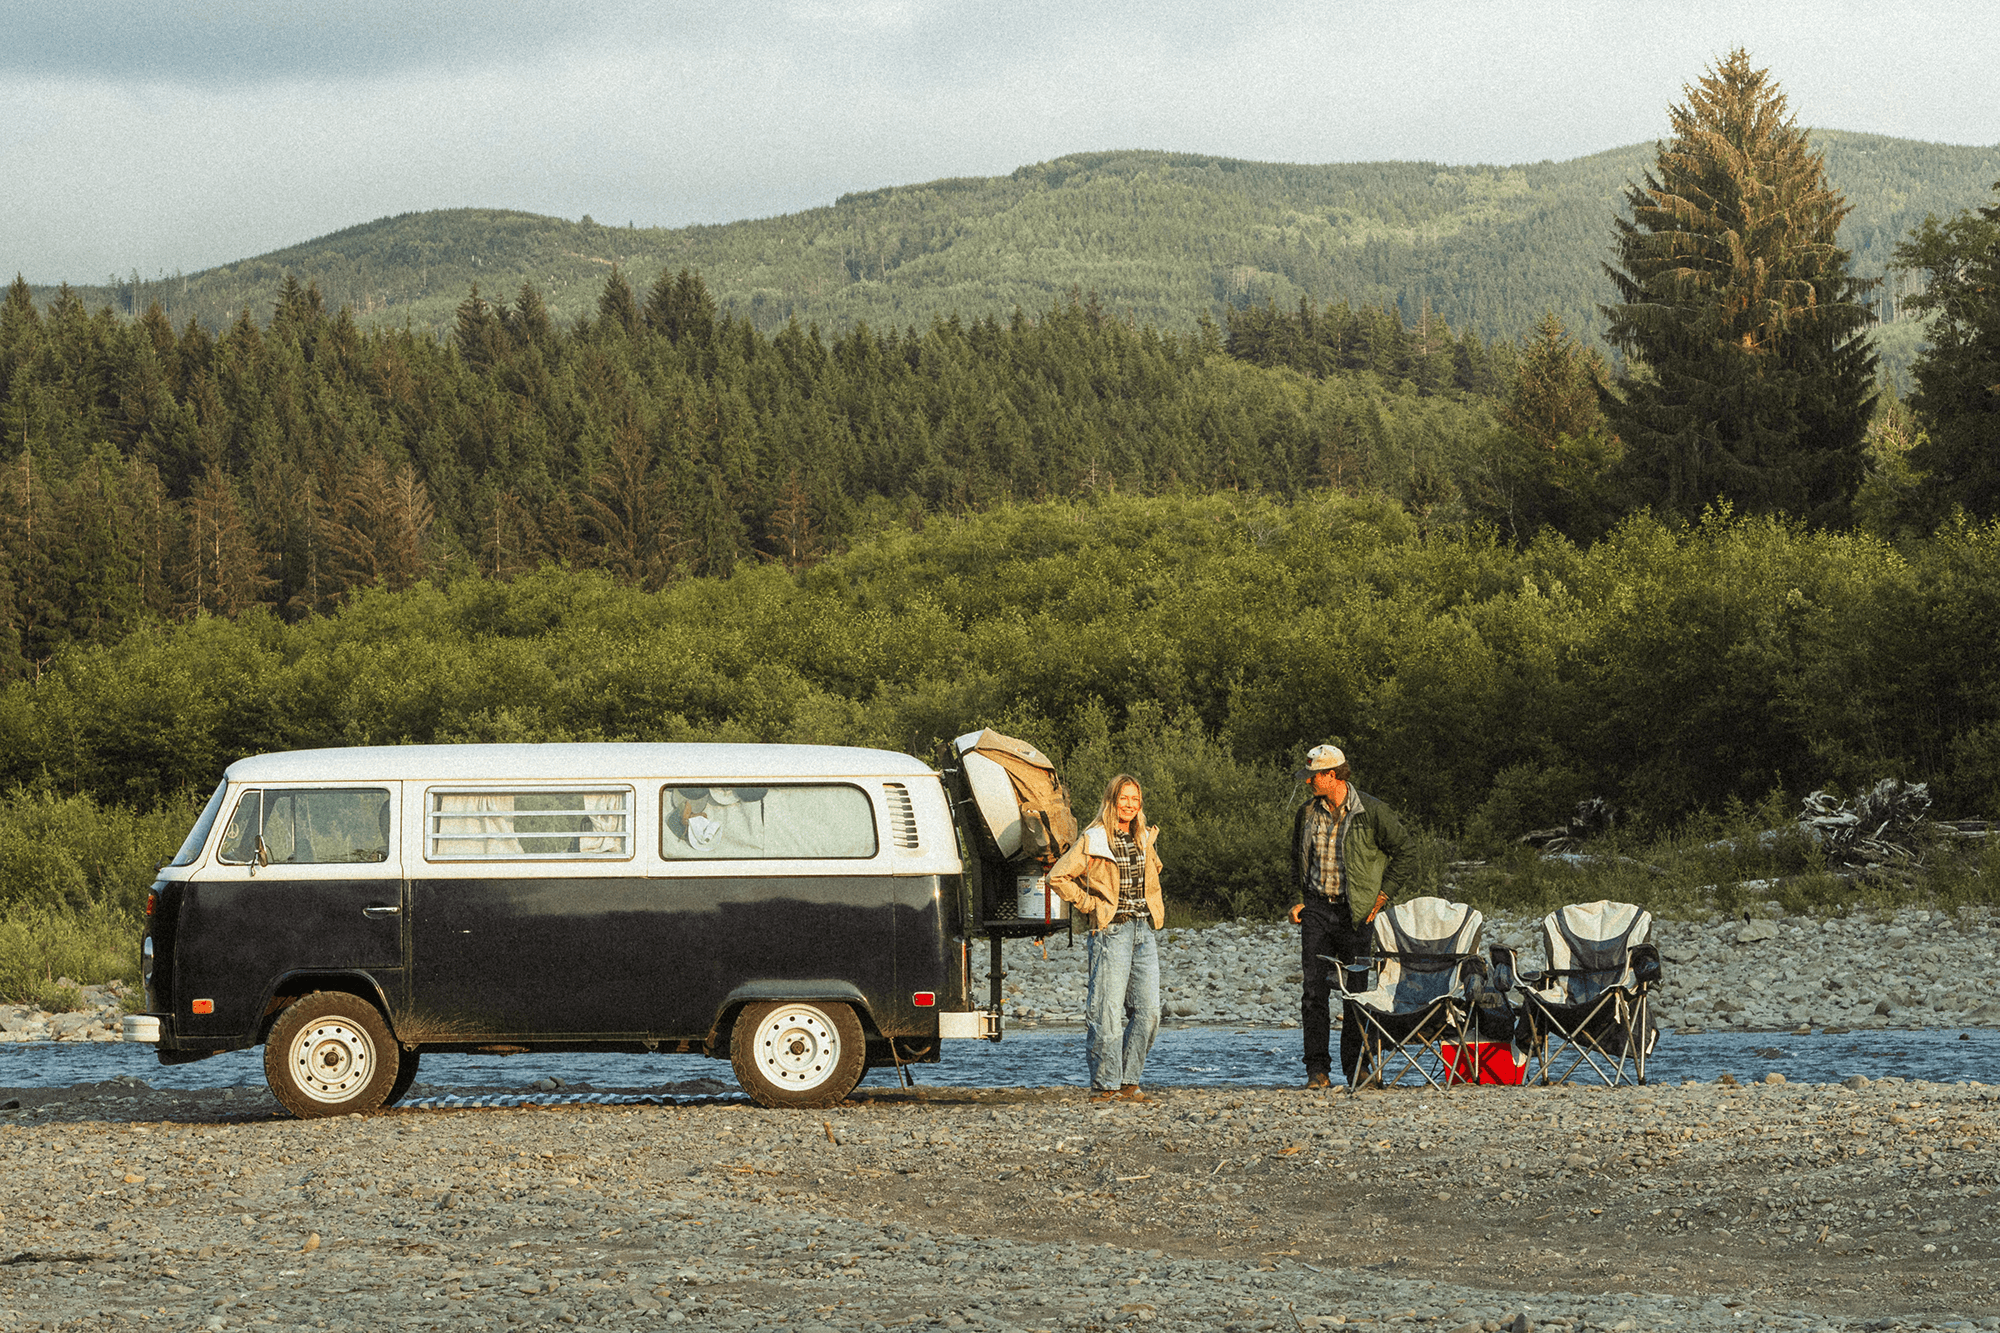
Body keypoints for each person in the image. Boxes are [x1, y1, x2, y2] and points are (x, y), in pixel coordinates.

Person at [1286, 744, 1417, 1088]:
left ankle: (1356, 1068)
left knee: (1355, 994)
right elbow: (1295, 858)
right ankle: (1317, 1070)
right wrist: (1297, 900)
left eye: (1314, 776)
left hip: (1356, 914)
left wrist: (1383, 896)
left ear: (1332, 775)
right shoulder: (1306, 813)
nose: (1309, 782)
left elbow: (1405, 851)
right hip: (1316, 908)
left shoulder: (1371, 811)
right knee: (1314, 993)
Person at [1046, 773, 1165, 1103]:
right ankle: (1104, 1085)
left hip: (1143, 929)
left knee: (1149, 1013)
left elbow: (1154, 871)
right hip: (1111, 930)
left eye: (1135, 799)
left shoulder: (1144, 836)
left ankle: (1128, 1082)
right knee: (1106, 1012)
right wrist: (1090, 905)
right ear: (1111, 801)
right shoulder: (1094, 838)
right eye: (1123, 798)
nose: (1129, 804)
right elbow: (1058, 876)